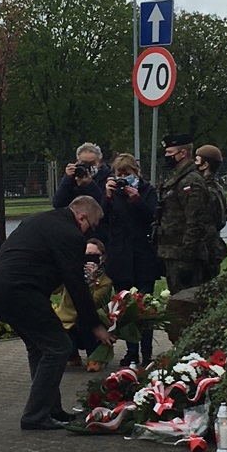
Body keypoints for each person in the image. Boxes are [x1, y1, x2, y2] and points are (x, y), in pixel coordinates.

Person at [0, 197, 116, 430]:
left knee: (41, 348)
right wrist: (95, 326)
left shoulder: (41, 219)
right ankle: (36, 415)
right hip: (20, 291)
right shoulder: (69, 234)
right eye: (93, 224)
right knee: (58, 347)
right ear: (82, 217)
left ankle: (50, 409)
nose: (92, 230)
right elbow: (75, 284)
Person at [153, 133, 219, 340]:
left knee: (186, 310)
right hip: (172, 253)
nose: (166, 156)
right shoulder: (178, 178)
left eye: (170, 152)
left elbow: (195, 223)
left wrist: (187, 259)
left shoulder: (191, 181)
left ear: (183, 153)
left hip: (184, 256)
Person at [99, 152, 159, 367]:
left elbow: (153, 217)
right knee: (125, 310)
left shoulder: (147, 191)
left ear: (136, 172)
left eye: (128, 173)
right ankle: (131, 352)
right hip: (120, 259)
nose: (124, 178)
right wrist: (106, 196)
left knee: (145, 309)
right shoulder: (111, 194)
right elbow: (100, 220)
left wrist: (137, 201)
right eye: (120, 174)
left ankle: (147, 353)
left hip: (143, 258)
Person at [56, 238, 113, 371]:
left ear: (103, 258)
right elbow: (54, 290)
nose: (90, 259)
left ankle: (94, 357)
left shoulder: (105, 282)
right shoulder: (71, 274)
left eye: (95, 256)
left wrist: (91, 281)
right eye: (86, 255)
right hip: (67, 322)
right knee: (63, 341)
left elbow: (91, 304)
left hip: (91, 325)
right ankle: (72, 355)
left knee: (84, 319)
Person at [195, 144, 227, 281]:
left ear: (205, 165)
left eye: (196, 160)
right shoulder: (214, 188)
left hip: (207, 251)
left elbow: (218, 219)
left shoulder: (208, 190)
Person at [52, 142, 112, 223]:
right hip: (75, 223)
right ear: (77, 162)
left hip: (99, 224)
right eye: (84, 163)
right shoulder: (73, 177)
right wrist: (67, 179)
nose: (88, 167)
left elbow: (104, 205)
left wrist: (90, 185)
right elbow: (57, 203)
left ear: (99, 162)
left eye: (92, 163)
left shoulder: (108, 176)